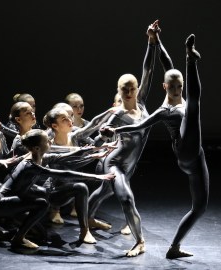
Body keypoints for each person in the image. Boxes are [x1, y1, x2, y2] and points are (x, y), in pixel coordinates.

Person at [102, 28, 209, 259]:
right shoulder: (164, 110)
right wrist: (115, 129)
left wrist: (156, 40)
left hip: (195, 155)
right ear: (165, 87)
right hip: (186, 151)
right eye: (173, 87)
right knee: (193, 106)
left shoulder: (173, 93)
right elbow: (138, 126)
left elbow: (167, 63)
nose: (177, 89)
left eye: (180, 86)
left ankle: (174, 247)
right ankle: (191, 60)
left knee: (199, 207)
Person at [87, 20, 159, 257]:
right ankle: (140, 242)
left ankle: (85, 221)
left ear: (137, 89)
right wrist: (96, 142)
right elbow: (93, 132)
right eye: (124, 89)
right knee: (126, 198)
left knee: (102, 192)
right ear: (118, 91)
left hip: (130, 164)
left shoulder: (141, 105)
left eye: (132, 88)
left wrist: (151, 41)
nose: (129, 92)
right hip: (116, 162)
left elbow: (148, 70)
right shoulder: (116, 113)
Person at [0, 129, 115, 249]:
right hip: (1, 203)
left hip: (15, 200)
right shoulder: (29, 165)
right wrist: (97, 176)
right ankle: (18, 238)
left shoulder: (40, 157)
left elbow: (66, 156)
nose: (51, 141)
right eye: (47, 141)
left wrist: (99, 148)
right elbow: (64, 174)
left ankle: (11, 233)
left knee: (43, 236)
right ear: (36, 148)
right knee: (42, 203)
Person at [43, 107, 114, 223]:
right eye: (64, 119)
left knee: (100, 181)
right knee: (80, 186)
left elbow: (92, 125)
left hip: (71, 182)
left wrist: (109, 111)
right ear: (55, 126)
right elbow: (69, 163)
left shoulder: (74, 136)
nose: (70, 120)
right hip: (55, 191)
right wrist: (89, 154)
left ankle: (88, 219)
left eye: (69, 117)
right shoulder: (48, 144)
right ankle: (55, 211)